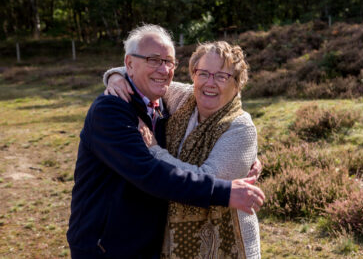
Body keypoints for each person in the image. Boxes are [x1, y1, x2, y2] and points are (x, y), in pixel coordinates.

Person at [67, 24, 265, 259]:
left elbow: (149, 76)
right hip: (106, 247)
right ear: (194, 75)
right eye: (204, 74)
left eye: (168, 61)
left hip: (188, 245)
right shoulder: (117, 109)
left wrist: (155, 150)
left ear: (238, 83)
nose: (163, 69)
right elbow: (148, 173)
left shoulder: (167, 102)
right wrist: (115, 75)